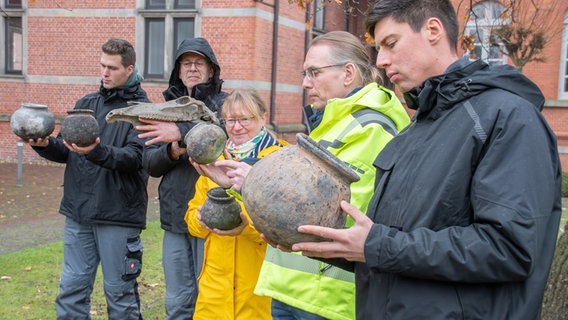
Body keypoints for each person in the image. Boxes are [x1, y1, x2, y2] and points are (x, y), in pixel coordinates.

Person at [291, 1, 563, 319]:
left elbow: (508, 248)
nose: (381, 60)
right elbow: (396, 246)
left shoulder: (507, 117)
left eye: (391, 43)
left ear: (433, 30)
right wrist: (326, 244)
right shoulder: (417, 128)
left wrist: (376, 245)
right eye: (378, 48)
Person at [197, 31, 411, 320]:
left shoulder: (370, 128)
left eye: (314, 72)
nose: (305, 82)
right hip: (296, 288)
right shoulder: (332, 122)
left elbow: (333, 214)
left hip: (326, 298)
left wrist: (251, 182)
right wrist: (239, 185)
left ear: (348, 73)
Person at [26, 38, 150, 319]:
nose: (105, 73)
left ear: (129, 69)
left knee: (120, 296)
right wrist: (43, 144)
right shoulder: (86, 103)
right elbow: (67, 151)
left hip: (118, 216)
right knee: (71, 290)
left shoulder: (142, 111)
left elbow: (136, 159)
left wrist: (97, 151)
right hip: (78, 213)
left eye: (112, 68)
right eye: (102, 66)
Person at [136, 37, 227, 319]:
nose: (192, 68)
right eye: (186, 63)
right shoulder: (164, 110)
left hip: (211, 214)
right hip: (175, 215)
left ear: (212, 69)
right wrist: (173, 150)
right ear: (178, 70)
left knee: (209, 295)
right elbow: (150, 163)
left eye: (199, 62)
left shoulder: (226, 104)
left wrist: (183, 130)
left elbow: (224, 134)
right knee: (177, 299)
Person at [185, 87, 287, 319]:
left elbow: (285, 226)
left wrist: (246, 227)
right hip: (214, 293)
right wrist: (201, 220)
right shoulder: (214, 160)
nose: (236, 127)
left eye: (244, 119)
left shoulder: (282, 159)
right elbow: (191, 219)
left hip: (260, 290)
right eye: (230, 120)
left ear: (263, 117)